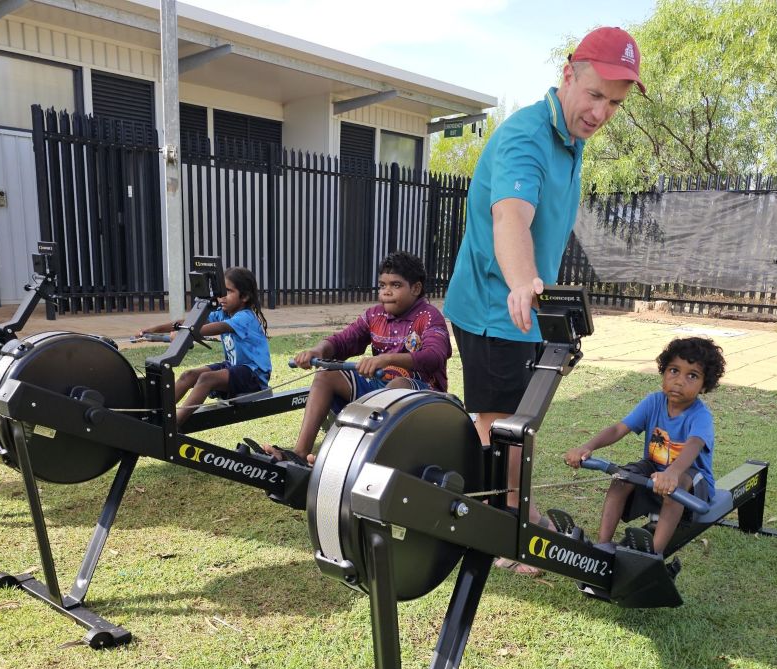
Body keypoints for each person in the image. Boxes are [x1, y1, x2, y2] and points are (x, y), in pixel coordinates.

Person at [442, 26, 646, 575]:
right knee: (499, 418)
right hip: (494, 304)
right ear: (568, 76)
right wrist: (520, 279)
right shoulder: (526, 137)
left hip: (528, 302)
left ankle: (504, 506)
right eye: (596, 94)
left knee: (519, 416)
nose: (602, 112)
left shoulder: (571, 139)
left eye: (615, 103)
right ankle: (507, 522)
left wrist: (536, 289)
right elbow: (511, 215)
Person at [267, 251, 450, 465]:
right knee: (326, 376)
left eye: (396, 285)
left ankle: (365, 459)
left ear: (416, 288)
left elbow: (434, 356)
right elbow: (344, 340)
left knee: (398, 385)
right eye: (382, 285)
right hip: (381, 390)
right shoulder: (374, 315)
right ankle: (299, 454)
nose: (387, 292)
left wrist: (387, 359)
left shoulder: (429, 316)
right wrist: (318, 351)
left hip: (424, 397)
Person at [563, 337, 726, 557]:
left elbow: (694, 445)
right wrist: (587, 446)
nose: (679, 381)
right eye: (674, 371)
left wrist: (673, 472)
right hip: (654, 471)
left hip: (692, 483)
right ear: (663, 372)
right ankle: (603, 546)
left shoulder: (700, 415)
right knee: (621, 477)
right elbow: (619, 429)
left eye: (692, 375)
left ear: (705, 385)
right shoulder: (654, 402)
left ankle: (653, 555)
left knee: (676, 485)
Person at [135, 266, 270, 428]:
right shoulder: (223, 312)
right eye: (222, 292)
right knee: (189, 374)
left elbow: (217, 328)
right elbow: (191, 323)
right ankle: (153, 416)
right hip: (235, 367)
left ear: (245, 296)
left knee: (206, 379)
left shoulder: (245, 317)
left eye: (229, 291)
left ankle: (170, 427)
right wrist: (156, 329)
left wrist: (185, 333)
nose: (222, 297)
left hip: (253, 375)